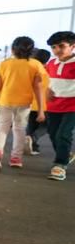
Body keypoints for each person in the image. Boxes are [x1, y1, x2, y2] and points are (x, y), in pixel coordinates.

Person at [0, 36, 46, 170]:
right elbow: (38, 88)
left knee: (2, 128)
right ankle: (16, 158)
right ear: (32, 51)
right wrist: (41, 110)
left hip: (5, 101)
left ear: (13, 49)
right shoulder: (35, 65)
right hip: (24, 103)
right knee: (19, 130)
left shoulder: (4, 64)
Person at [44, 31, 75, 181]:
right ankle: (66, 154)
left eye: (61, 46)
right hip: (54, 105)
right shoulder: (51, 63)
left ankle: (60, 164)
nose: (57, 50)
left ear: (72, 46)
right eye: (54, 47)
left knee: (63, 134)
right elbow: (47, 79)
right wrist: (46, 89)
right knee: (52, 132)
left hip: (72, 106)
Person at [25, 48, 51, 155]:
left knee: (31, 126)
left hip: (30, 103)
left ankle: (33, 147)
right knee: (46, 125)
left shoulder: (30, 70)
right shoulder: (47, 71)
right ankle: (33, 138)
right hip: (44, 104)